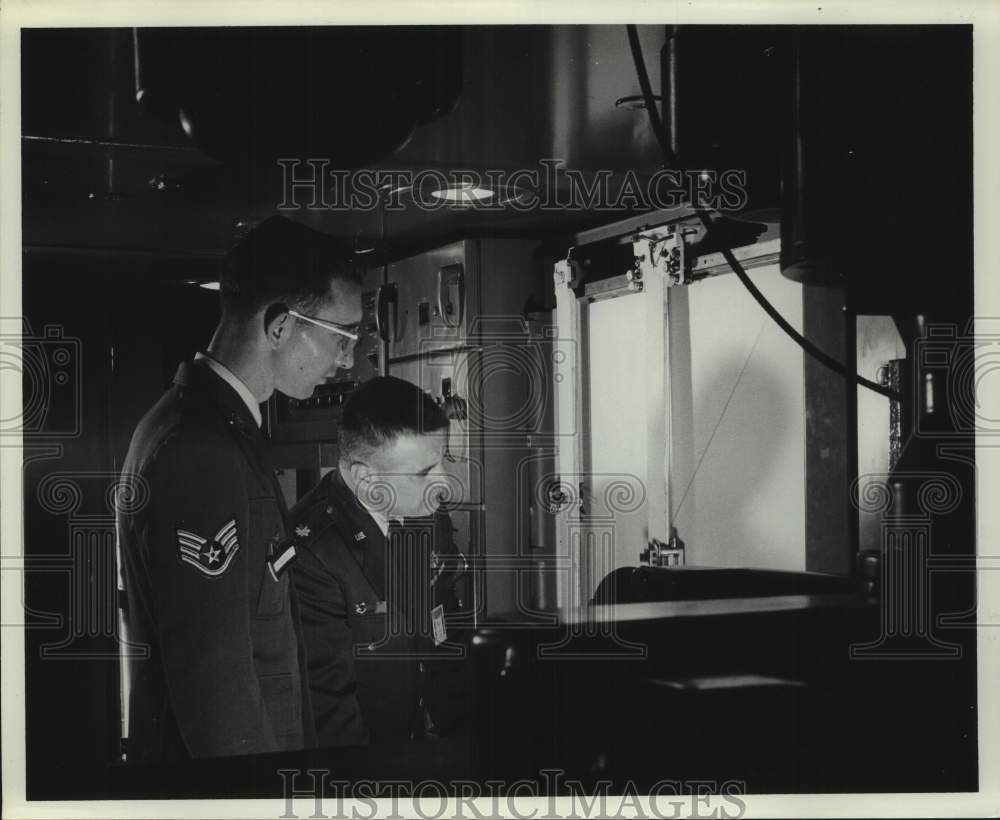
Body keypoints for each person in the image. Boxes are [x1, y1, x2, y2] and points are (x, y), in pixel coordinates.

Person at [116, 215, 363, 762]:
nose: (349, 359)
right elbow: (214, 683)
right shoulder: (200, 448)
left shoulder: (208, 427)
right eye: (343, 336)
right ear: (280, 326)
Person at [289, 376, 472, 747]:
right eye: (424, 473)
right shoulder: (312, 552)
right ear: (366, 477)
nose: (444, 484)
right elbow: (329, 709)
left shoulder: (425, 513)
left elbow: (448, 638)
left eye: (442, 462)